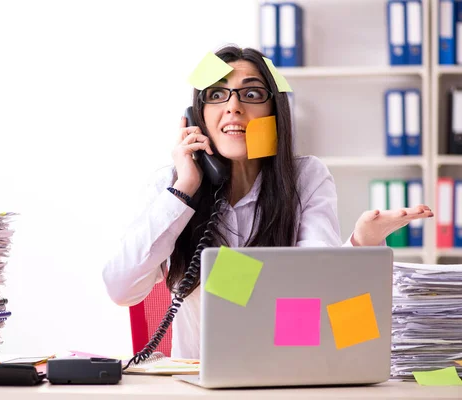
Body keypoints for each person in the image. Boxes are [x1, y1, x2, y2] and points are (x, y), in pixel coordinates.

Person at [102, 45, 433, 360]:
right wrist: (184, 190)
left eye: (251, 94)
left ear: (275, 111)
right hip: (198, 382)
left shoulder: (305, 176)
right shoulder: (172, 184)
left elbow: (315, 292)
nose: (233, 106)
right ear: (197, 117)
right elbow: (120, 288)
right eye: (216, 95)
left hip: (289, 371)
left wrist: (363, 241)